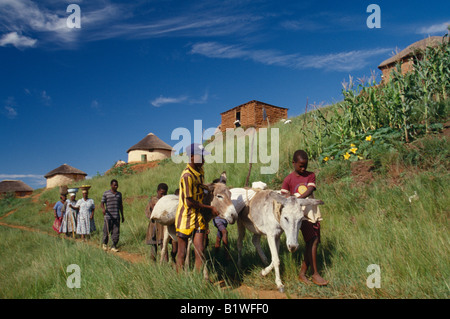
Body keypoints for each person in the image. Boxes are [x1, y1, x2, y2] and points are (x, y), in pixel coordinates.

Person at [281, 150, 328, 286]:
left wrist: (297, 199)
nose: (303, 168)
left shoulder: (310, 175)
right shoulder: (288, 179)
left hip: (311, 212)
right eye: (301, 165)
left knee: (313, 242)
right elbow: (284, 196)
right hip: (299, 215)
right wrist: (293, 202)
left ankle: (302, 273)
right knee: (312, 240)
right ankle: (315, 274)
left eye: (305, 165)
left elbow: (310, 190)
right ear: (293, 163)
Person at [175, 143, 218, 273]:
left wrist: (209, 188)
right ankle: (179, 281)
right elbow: (189, 202)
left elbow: (200, 186)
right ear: (192, 157)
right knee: (181, 252)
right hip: (185, 217)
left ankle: (198, 282)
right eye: (201, 157)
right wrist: (209, 208)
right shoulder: (187, 176)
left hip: (198, 216)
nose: (204, 161)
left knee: (200, 249)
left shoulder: (200, 171)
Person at [145, 183, 168, 261]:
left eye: (165, 193)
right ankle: (153, 262)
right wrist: (153, 215)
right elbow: (148, 212)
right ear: (157, 191)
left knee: (163, 244)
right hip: (154, 225)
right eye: (161, 193)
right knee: (153, 244)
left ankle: (165, 263)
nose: (163, 195)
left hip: (163, 226)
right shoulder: (152, 201)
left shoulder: (166, 201)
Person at [101, 179, 124, 252]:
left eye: (117, 185)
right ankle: (104, 244)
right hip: (108, 216)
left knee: (116, 232)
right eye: (114, 185)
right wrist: (103, 209)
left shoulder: (119, 194)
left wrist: (122, 215)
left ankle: (114, 246)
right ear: (111, 185)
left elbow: (120, 205)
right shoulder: (106, 193)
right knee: (106, 231)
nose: (116, 186)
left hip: (116, 216)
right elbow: (102, 203)